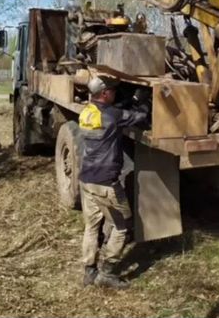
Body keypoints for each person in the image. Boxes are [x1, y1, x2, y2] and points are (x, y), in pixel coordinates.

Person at [78, 75, 148, 288]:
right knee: (122, 225)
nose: (116, 93)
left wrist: (129, 101)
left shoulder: (87, 112)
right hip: (105, 182)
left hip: (86, 178)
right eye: (113, 91)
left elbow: (114, 111)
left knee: (92, 226)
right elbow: (139, 117)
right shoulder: (113, 116)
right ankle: (107, 271)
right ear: (105, 93)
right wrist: (143, 101)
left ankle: (89, 271)